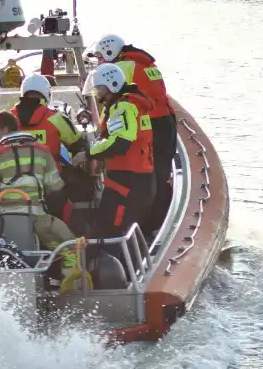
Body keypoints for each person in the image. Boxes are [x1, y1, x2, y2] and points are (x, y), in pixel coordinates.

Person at [0, 111, 91, 295]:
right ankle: (70, 280)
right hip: (37, 216)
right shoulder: (43, 151)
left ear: (5, 130)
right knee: (63, 240)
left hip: (1, 220)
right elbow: (55, 187)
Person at [86, 33, 176, 238]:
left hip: (151, 129)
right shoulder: (140, 62)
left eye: (100, 57)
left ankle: (150, 226)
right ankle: (158, 222)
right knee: (160, 175)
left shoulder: (122, 75)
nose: (99, 62)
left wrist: (93, 149)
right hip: (164, 120)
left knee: (155, 177)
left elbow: (120, 138)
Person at [71, 63, 156, 243]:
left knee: (110, 229)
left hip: (128, 181)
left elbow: (120, 142)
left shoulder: (123, 108)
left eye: (100, 88)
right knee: (122, 226)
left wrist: (88, 153)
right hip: (137, 179)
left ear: (112, 85)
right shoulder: (132, 104)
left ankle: (111, 263)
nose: (98, 92)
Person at [12, 74, 90, 223]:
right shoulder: (56, 118)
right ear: (47, 94)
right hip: (51, 184)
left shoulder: (9, 118)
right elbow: (77, 143)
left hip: (14, 183)